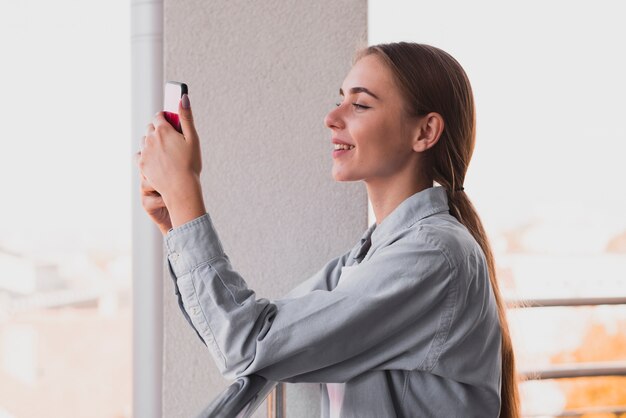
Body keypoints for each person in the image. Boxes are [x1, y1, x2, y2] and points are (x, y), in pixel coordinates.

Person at [136, 42, 520, 418]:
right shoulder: (371, 256)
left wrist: (186, 197)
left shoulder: (433, 256)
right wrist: (176, 222)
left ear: (425, 132)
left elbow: (250, 343)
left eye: (360, 104)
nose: (332, 117)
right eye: (339, 99)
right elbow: (254, 342)